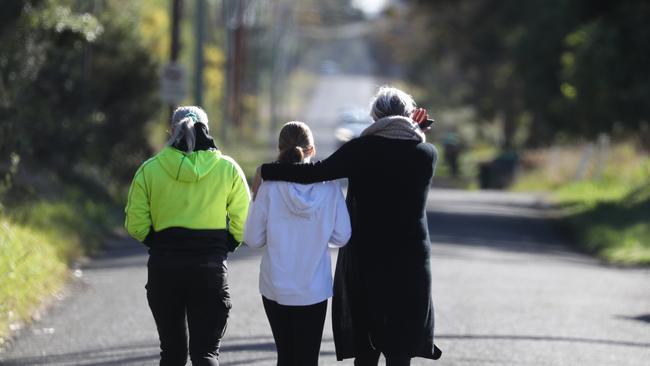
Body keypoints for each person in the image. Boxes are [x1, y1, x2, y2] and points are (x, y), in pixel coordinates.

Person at [253, 86, 442, 365]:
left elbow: (314, 173)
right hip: (411, 260)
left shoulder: (360, 149)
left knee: (366, 350)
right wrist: (417, 129)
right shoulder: (426, 153)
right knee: (400, 350)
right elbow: (410, 146)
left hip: (367, 258)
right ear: (409, 116)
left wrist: (266, 170)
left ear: (375, 117)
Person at [125, 106, 250, 366]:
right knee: (205, 353)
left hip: (164, 268)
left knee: (171, 353)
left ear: (171, 131)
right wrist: (226, 244)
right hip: (209, 268)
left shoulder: (150, 169)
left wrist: (159, 243)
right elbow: (243, 222)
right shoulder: (227, 169)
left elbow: (135, 224)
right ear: (207, 130)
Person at [244, 121, 351, 366]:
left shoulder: (269, 188)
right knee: (307, 358)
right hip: (314, 288)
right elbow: (342, 236)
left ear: (279, 149)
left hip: (275, 287)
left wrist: (256, 198)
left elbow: (252, 238)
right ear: (311, 150)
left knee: (286, 355)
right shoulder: (329, 188)